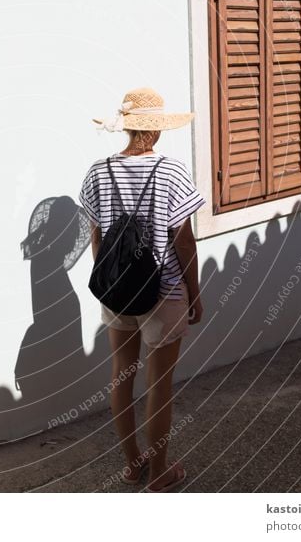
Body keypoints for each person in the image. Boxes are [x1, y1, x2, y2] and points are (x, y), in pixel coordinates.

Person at [78, 87, 205, 492]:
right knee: (159, 384)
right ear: (156, 131)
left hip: (116, 292)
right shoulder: (170, 171)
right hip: (164, 291)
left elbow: (98, 238)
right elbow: (183, 241)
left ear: (128, 129)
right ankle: (161, 471)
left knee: (121, 376)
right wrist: (195, 292)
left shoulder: (98, 171)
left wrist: (111, 281)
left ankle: (133, 464)